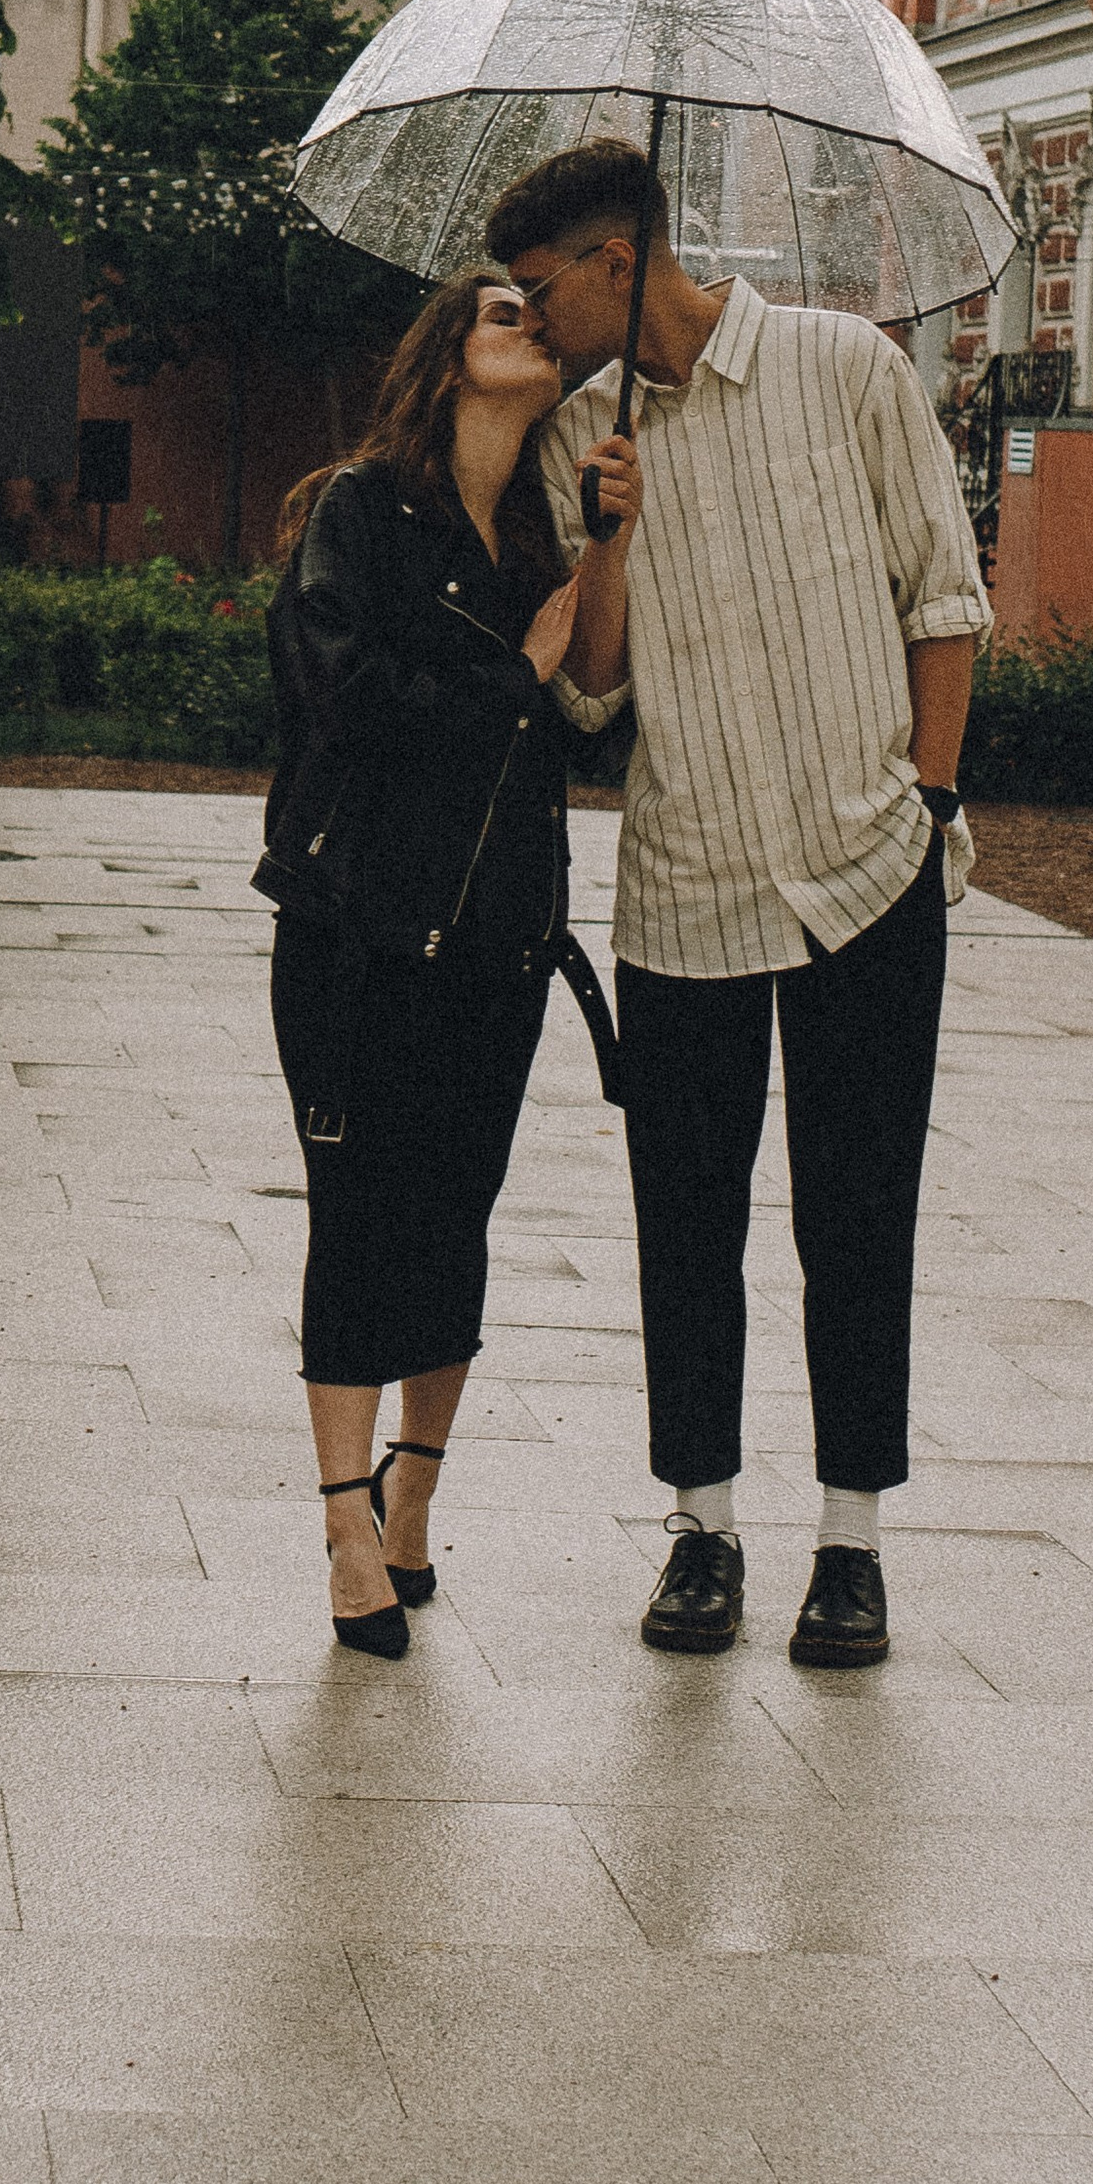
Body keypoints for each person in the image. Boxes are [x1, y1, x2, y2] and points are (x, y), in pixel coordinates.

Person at [486, 135, 989, 1671]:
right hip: (688, 883)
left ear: (616, 260)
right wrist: (615, 530)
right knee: (686, 1221)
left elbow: (945, 599)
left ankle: (854, 1545)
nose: (524, 312)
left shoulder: (844, 370)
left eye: (538, 285)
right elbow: (590, 693)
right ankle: (702, 1530)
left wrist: (932, 808)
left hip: (868, 874)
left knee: (859, 1218)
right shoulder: (581, 438)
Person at [257, 265, 632, 1658]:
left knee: (456, 1213)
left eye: (536, 313)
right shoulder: (362, 509)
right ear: (443, 356)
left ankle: (416, 1494)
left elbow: (590, 710)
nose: (527, 320)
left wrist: (614, 544)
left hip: (500, 933)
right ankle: (346, 1524)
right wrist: (507, 678)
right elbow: (341, 697)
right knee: (359, 1213)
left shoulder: (545, 536)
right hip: (359, 924)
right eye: (497, 311)